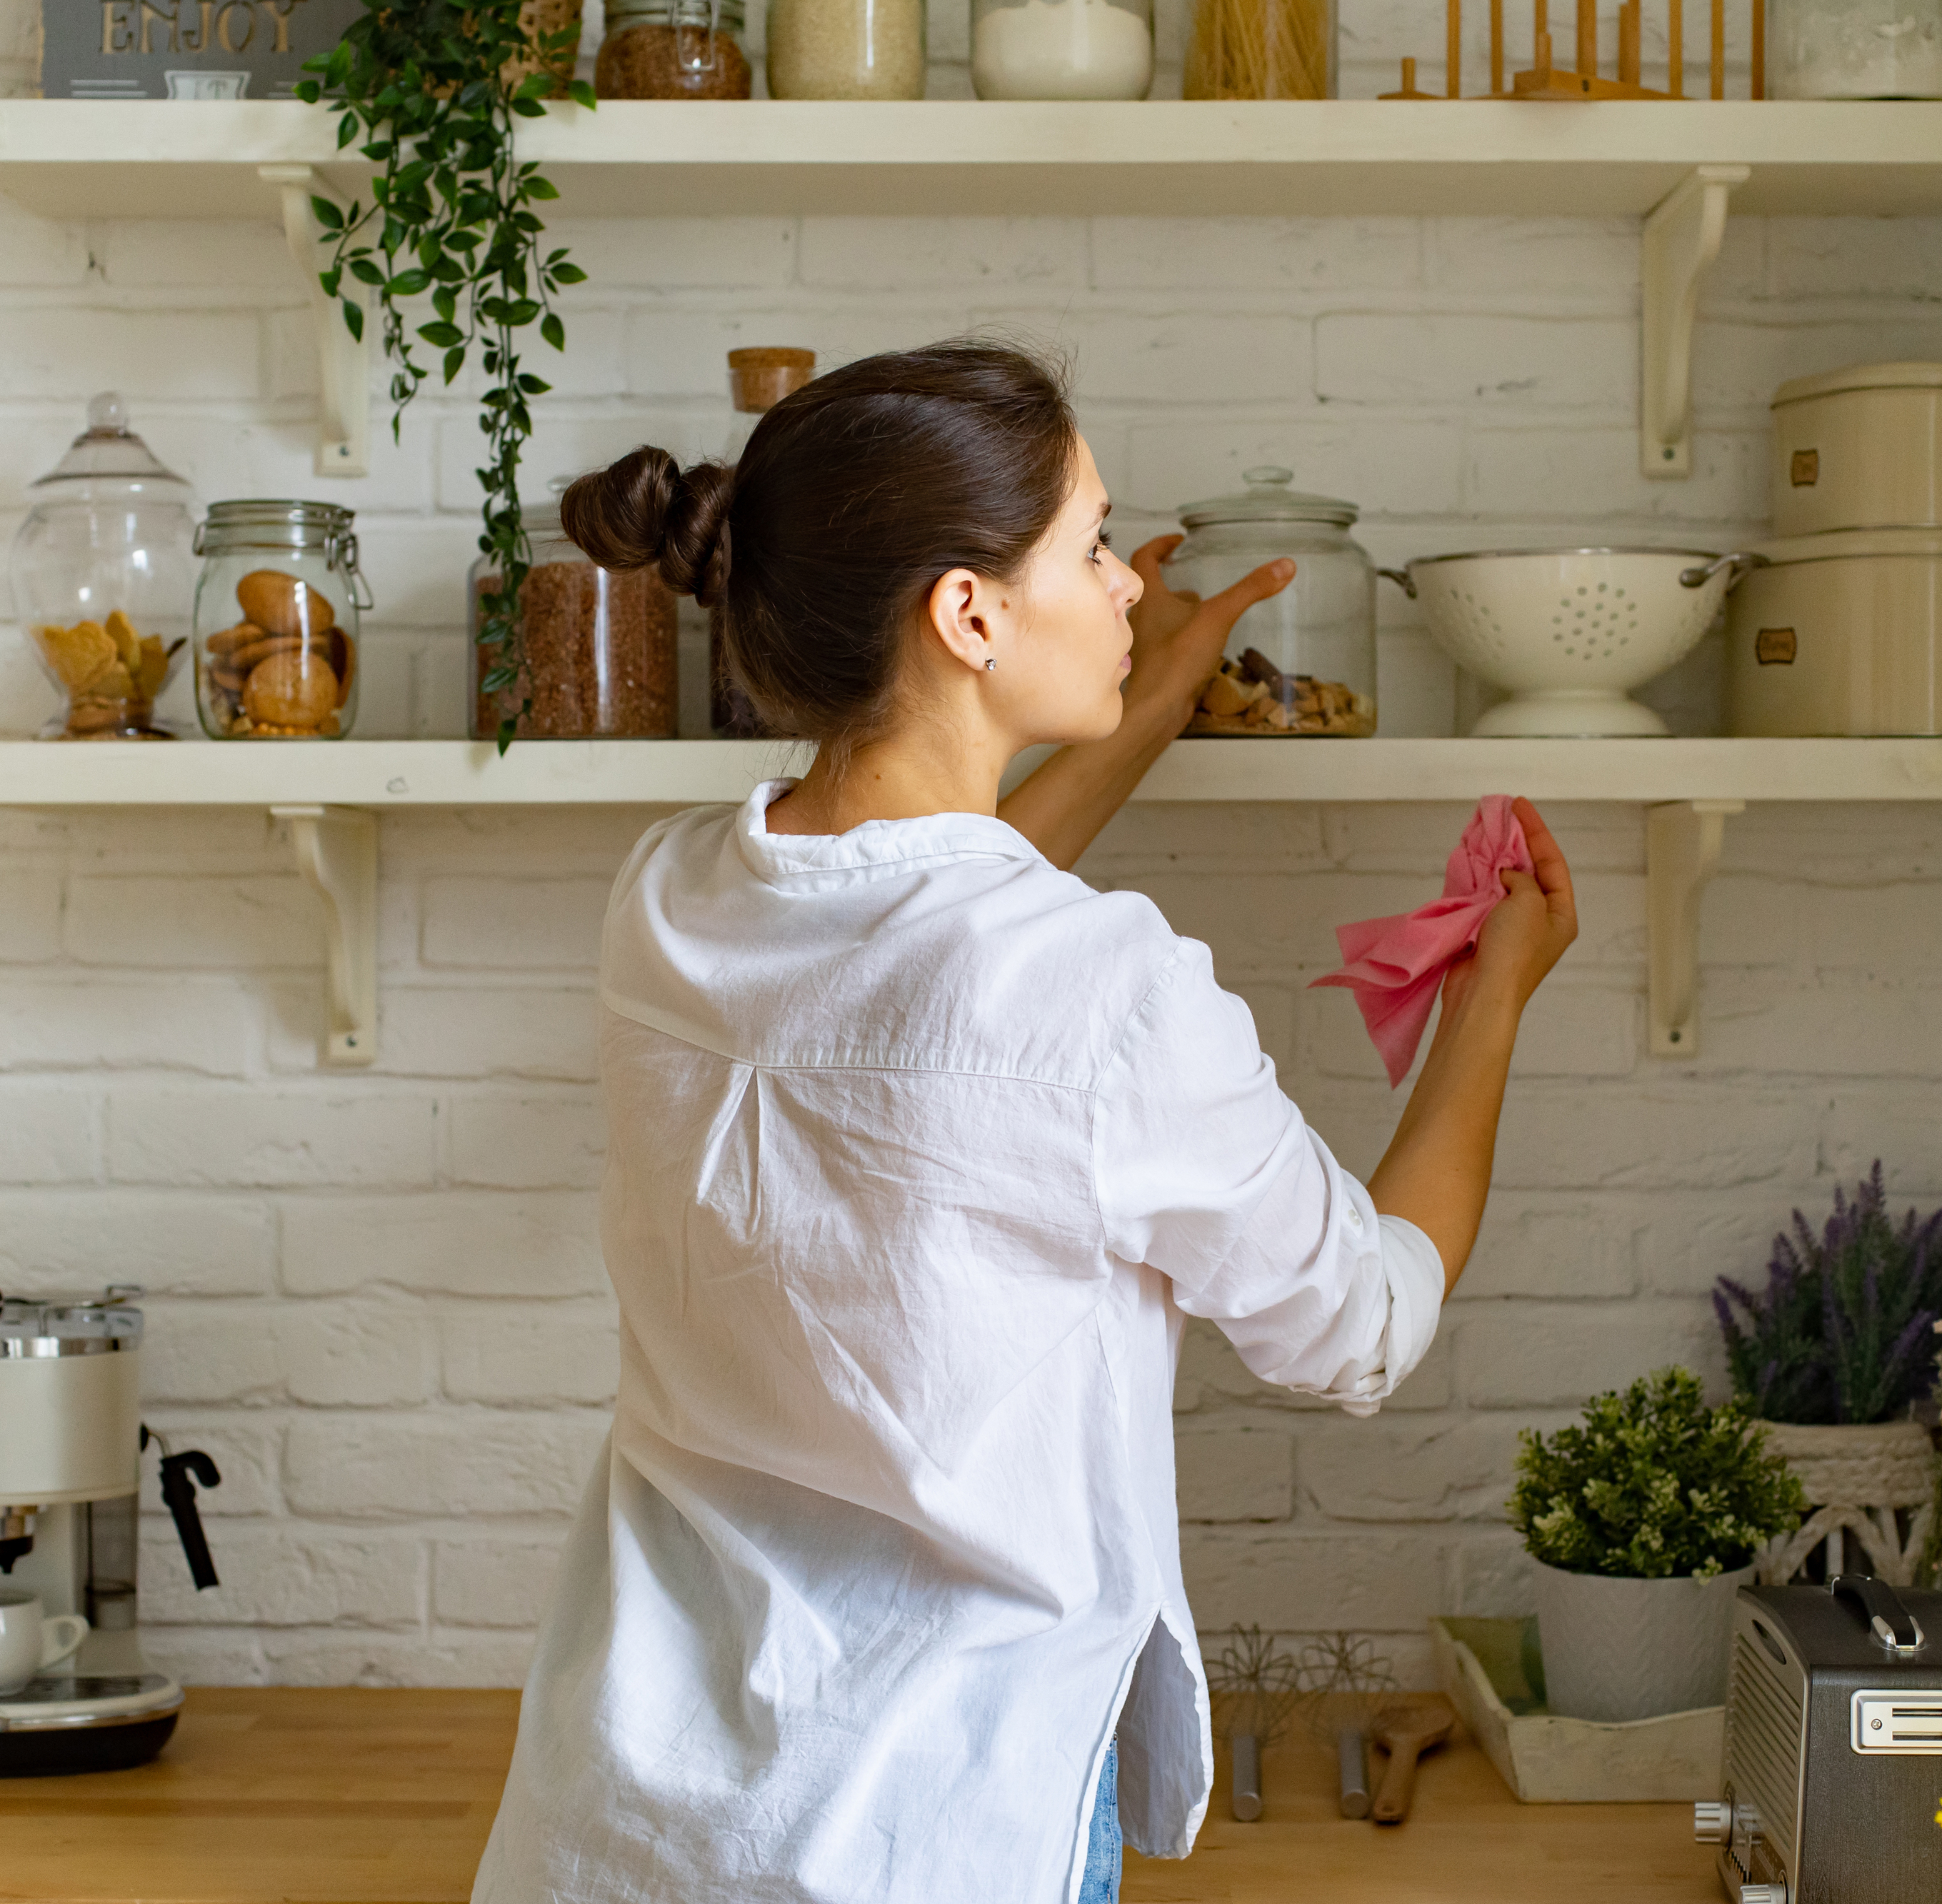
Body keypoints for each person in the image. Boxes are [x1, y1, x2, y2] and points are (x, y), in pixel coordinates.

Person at [471, 340, 1577, 1904]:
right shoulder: (1106, 993)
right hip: (939, 1829)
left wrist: (1144, 708)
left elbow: (917, 932)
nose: (1126, 586)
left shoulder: (664, 900)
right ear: (969, 614)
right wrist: (1494, 996)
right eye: (1093, 544)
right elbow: (1364, 1325)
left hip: (623, 1823)